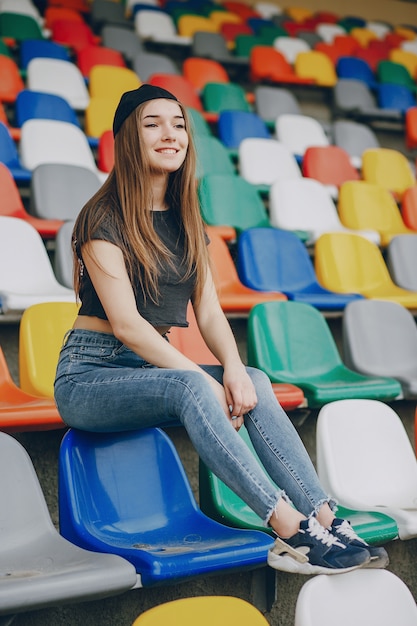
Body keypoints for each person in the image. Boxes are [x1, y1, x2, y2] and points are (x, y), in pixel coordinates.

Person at [54, 84, 388, 575]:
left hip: (150, 368)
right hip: (90, 376)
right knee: (193, 384)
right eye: (153, 124)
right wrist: (205, 381)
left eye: (178, 123)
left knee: (251, 378)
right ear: (127, 138)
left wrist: (230, 368)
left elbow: (209, 311)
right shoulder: (102, 217)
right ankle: (288, 530)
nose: (170, 134)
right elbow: (126, 325)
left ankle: (325, 515)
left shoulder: (187, 215)